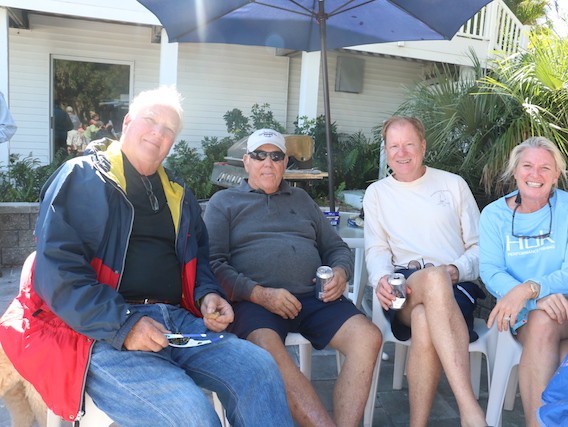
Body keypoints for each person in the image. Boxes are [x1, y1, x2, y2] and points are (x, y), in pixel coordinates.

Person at [0, 87, 293, 427]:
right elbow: (58, 274)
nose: (158, 133)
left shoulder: (178, 193)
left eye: (169, 129)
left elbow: (198, 257)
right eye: (150, 120)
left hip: (178, 323)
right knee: (192, 413)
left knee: (259, 368)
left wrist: (207, 294)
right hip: (103, 331)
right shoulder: (81, 177)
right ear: (127, 123)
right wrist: (124, 325)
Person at [204, 128, 382, 427]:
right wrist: (259, 294)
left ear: (285, 163)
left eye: (276, 156)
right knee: (266, 350)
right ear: (246, 162)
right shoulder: (224, 202)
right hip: (255, 302)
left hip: (314, 296)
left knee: (368, 337)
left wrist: (341, 272)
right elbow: (213, 263)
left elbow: (336, 247)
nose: (268, 162)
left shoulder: (301, 198)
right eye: (259, 155)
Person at [363, 116, 487, 427]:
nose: (401, 153)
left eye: (408, 144)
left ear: (423, 146)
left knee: (424, 318)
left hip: (456, 288)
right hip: (404, 287)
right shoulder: (377, 193)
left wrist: (456, 270)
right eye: (394, 146)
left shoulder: (453, 184)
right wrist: (381, 279)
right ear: (386, 150)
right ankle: (469, 410)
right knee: (432, 279)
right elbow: (377, 249)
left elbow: (480, 247)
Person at [479, 136, 568, 426]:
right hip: (524, 307)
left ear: (556, 175)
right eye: (527, 166)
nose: (535, 174)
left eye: (545, 168)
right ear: (515, 171)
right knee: (562, 348)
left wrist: (530, 290)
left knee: (542, 320)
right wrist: (532, 298)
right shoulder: (493, 215)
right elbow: (490, 270)